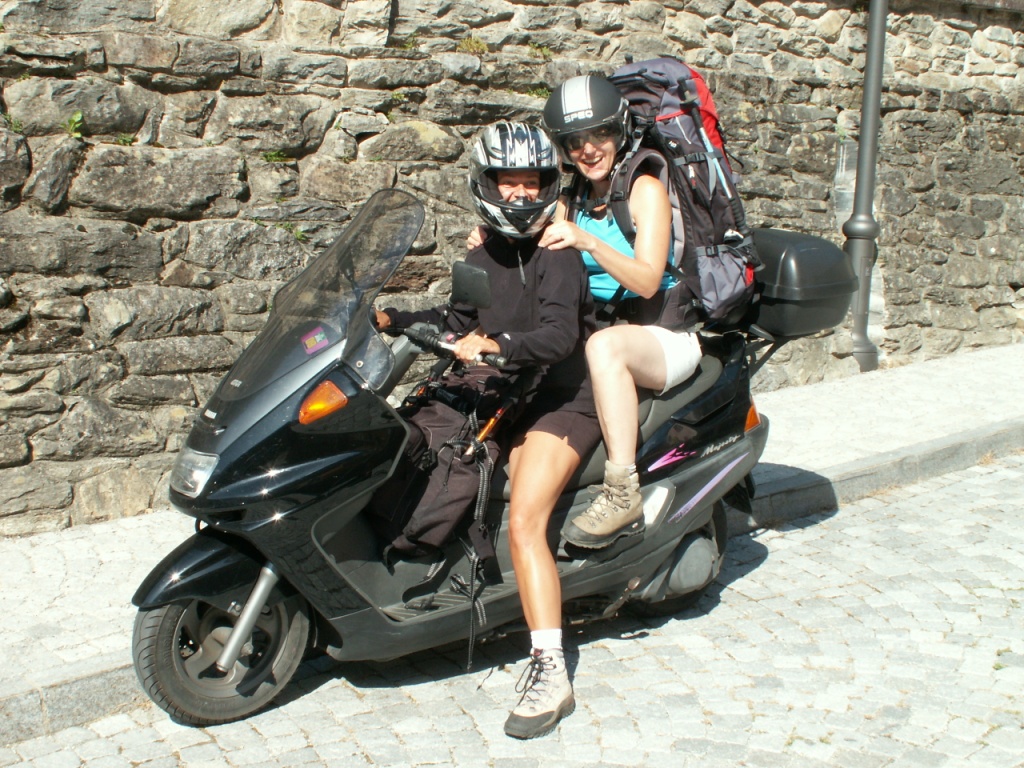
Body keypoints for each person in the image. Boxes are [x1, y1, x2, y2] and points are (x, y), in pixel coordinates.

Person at [376, 122, 601, 739]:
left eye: (532, 183)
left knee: (524, 519)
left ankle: (551, 669)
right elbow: (456, 319)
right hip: (506, 392)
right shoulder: (480, 255)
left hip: (560, 397)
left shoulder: (559, 255)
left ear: (548, 186)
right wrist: (392, 316)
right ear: (487, 184)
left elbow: (558, 336)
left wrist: (495, 344)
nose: (522, 195)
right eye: (509, 183)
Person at [538, 75, 704, 549]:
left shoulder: (644, 189)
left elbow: (648, 278)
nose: (588, 149)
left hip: (663, 332)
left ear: (620, 132)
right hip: (606, 328)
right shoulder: (571, 198)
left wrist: (588, 242)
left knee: (603, 347)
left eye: (600, 135)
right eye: (575, 141)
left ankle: (621, 491)